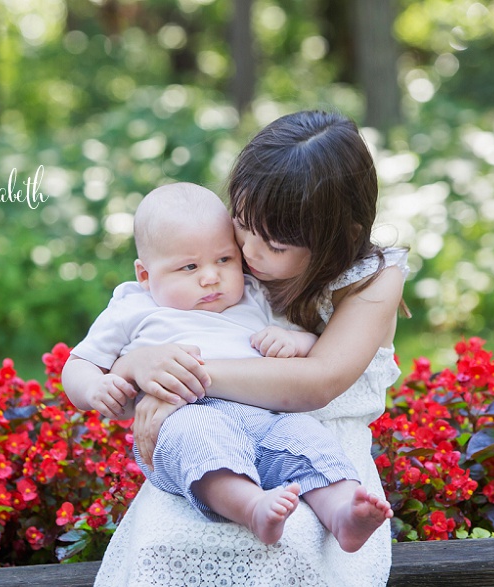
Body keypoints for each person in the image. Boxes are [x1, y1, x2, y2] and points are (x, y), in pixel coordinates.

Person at [88, 110, 410, 587]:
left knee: (285, 545)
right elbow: (155, 325)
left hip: (317, 449)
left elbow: (316, 382)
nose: (250, 253)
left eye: (274, 245)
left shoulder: (373, 280)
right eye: (242, 225)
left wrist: (185, 380)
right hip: (216, 440)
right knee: (169, 537)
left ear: (335, 237)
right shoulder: (232, 267)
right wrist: (139, 362)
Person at [63, 182, 392, 551]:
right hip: (184, 416)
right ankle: (252, 506)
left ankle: (343, 512)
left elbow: (317, 351)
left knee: (306, 438)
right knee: (199, 439)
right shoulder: (134, 306)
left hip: (265, 414)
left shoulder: (254, 294)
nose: (210, 276)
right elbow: (78, 364)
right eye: (189, 267)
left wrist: (295, 342)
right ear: (145, 275)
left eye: (224, 259)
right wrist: (94, 388)